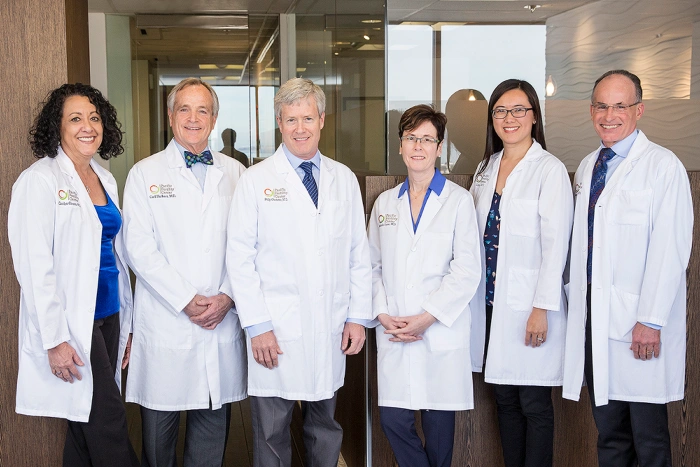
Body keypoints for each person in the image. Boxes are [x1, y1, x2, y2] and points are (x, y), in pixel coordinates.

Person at [226, 77, 372, 467]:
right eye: (291, 120)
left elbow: (359, 253)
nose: (300, 128)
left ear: (322, 119)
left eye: (307, 117)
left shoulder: (343, 179)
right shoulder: (255, 180)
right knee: (272, 433)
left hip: (330, 326)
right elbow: (239, 258)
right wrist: (257, 326)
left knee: (325, 427)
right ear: (279, 123)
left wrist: (358, 317)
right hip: (275, 329)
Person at [563, 70, 693, 467]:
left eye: (620, 105)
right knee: (611, 436)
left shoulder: (662, 166)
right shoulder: (588, 166)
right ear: (591, 111)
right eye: (601, 105)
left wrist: (651, 321)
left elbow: (670, 249)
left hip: (637, 324)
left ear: (639, 110)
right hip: (594, 322)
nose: (609, 114)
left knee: (649, 440)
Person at [8, 83, 138, 466]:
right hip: (71, 324)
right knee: (109, 420)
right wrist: (54, 338)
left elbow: (115, 253)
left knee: (83, 428)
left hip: (109, 313)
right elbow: (34, 267)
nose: (88, 126)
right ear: (58, 127)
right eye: (76, 118)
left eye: (94, 118)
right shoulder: (40, 180)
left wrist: (126, 324)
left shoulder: (104, 178)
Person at [122, 78, 247, 467]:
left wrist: (227, 296)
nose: (194, 118)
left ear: (214, 118)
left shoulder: (238, 173)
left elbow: (249, 245)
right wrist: (186, 300)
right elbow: (138, 248)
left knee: (211, 439)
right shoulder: (145, 173)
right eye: (184, 109)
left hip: (220, 319)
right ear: (171, 115)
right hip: (167, 322)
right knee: (158, 444)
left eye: (203, 110)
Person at [367, 104, 482, 467]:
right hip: (395, 330)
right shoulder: (385, 203)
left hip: (438, 332)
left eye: (427, 139)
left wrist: (427, 317)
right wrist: (383, 314)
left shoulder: (459, 202)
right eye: (411, 138)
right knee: (393, 420)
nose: (418, 146)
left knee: (438, 434)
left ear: (439, 147)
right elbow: (371, 266)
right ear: (400, 146)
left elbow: (466, 271)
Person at [469, 79, 573, 467]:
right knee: (505, 400)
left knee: (533, 403)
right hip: (492, 303)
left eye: (518, 110)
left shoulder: (549, 170)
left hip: (530, 306)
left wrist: (541, 308)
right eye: (500, 111)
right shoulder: (487, 167)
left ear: (534, 117)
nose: (508, 118)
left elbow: (555, 246)